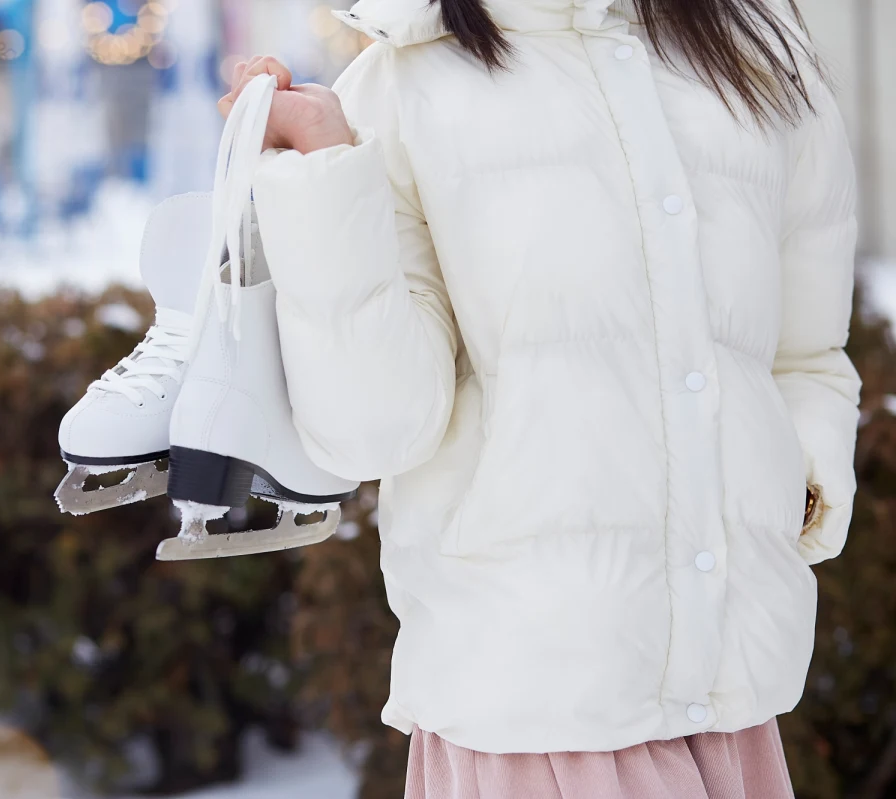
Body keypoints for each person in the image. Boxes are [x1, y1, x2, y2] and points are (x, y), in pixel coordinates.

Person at [219, 0, 862, 796]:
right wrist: (322, 171)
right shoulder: (404, 82)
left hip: (732, 713)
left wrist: (784, 500)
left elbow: (805, 355)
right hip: (528, 715)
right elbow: (375, 431)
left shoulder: (757, 52)